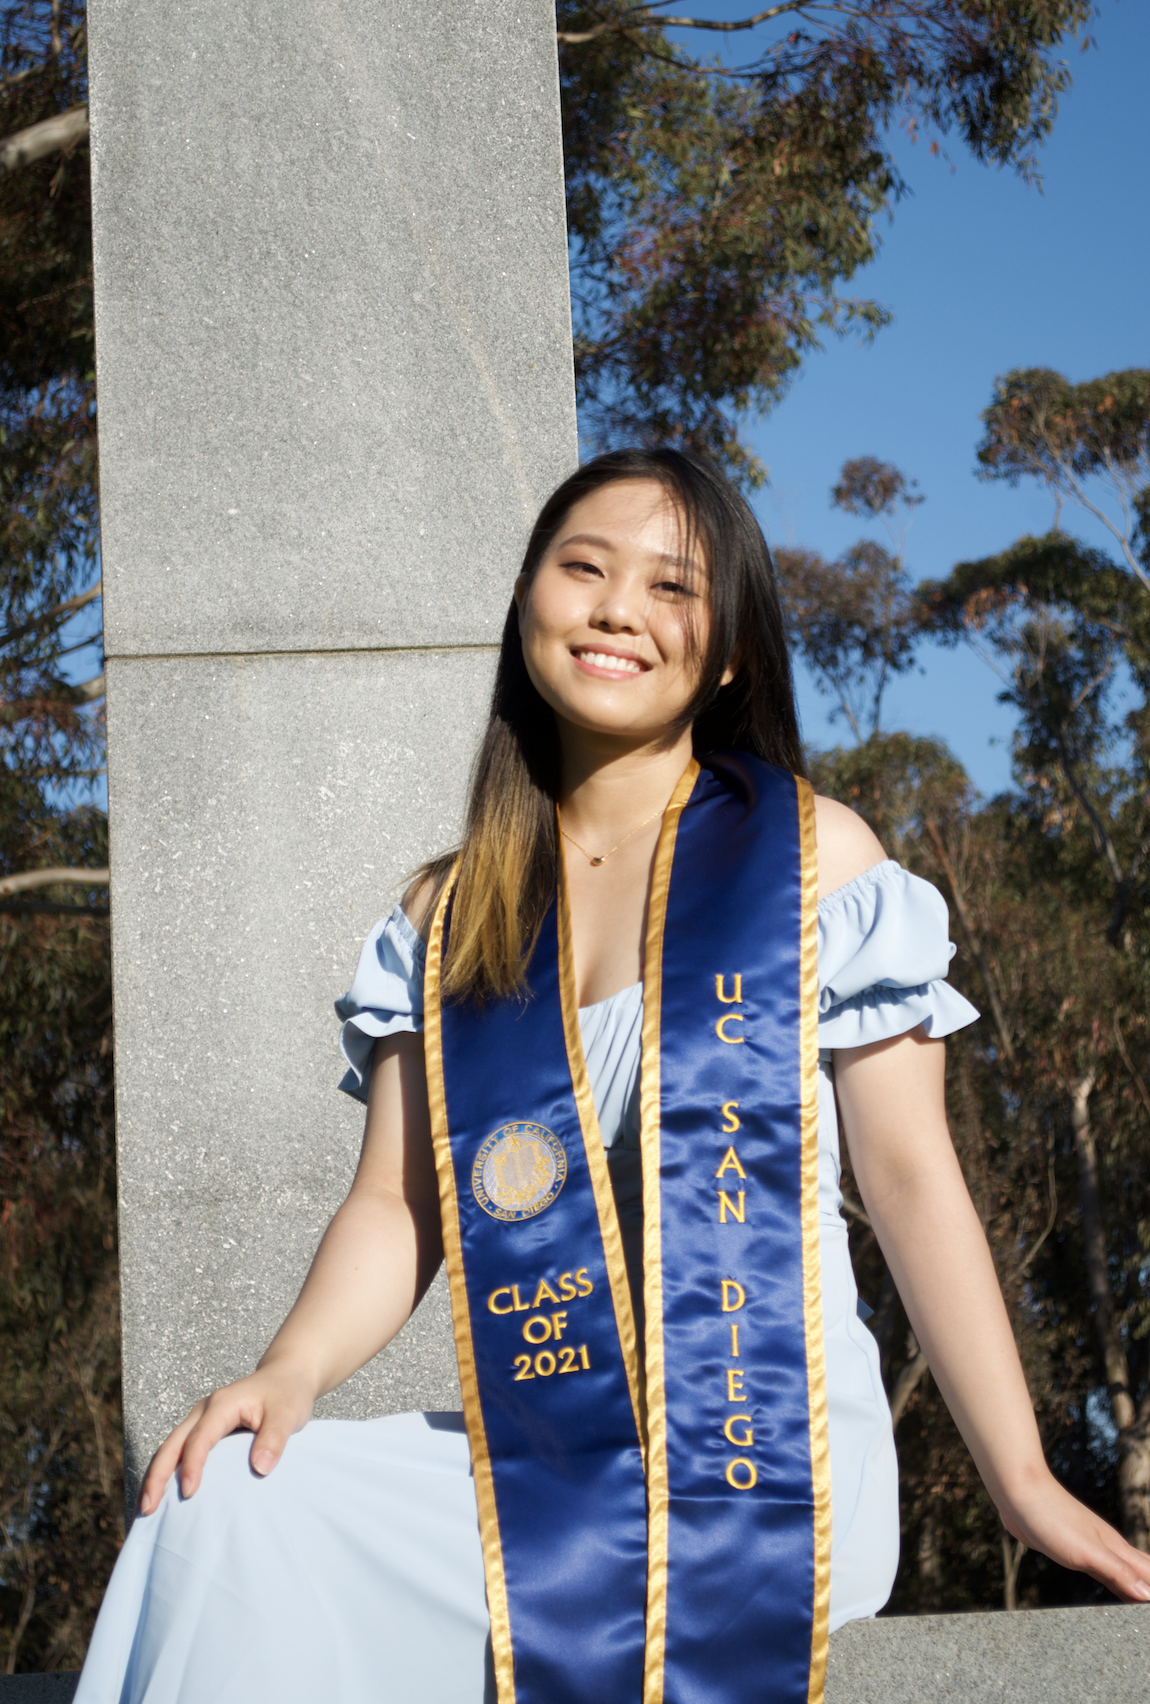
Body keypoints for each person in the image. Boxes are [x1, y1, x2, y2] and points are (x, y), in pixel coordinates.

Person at [76, 450, 1150, 1704]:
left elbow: (913, 1181)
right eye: (582, 567)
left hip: (757, 1449)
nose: (616, 609)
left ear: (731, 650)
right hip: (548, 1442)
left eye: (672, 588)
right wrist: (289, 1372)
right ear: (529, 597)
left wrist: (1020, 1481)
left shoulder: (810, 862)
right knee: (227, 1507)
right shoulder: (451, 912)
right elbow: (398, 1206)